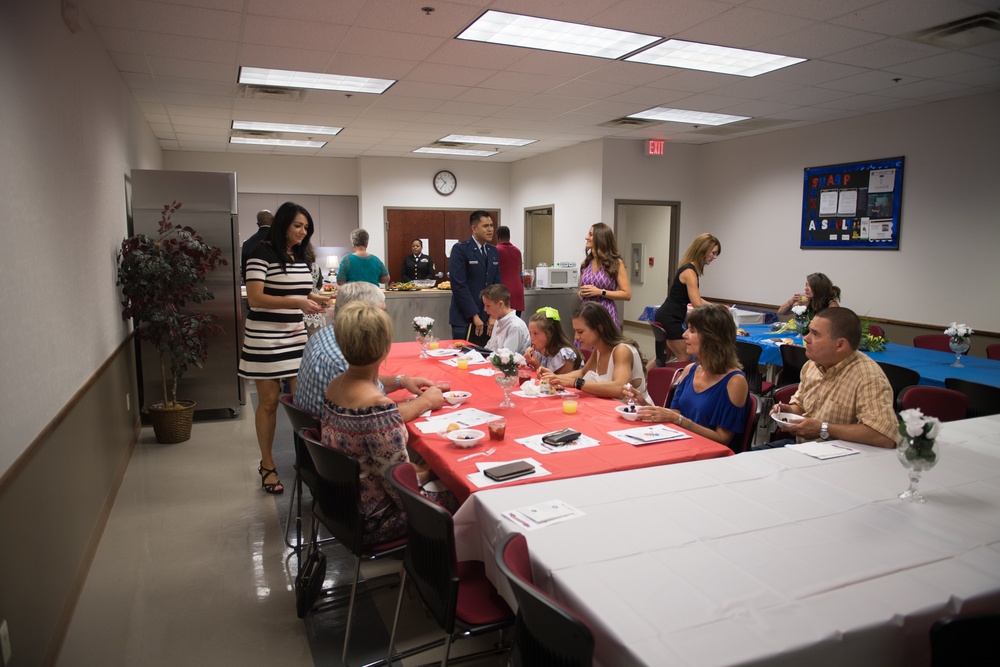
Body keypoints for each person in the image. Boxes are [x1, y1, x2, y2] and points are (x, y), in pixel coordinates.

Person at [321, 302, 445, 545]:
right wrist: (436, 474)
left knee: (427, 465)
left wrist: (426, 470)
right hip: (375, 518)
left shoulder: (334, 385)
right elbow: (403, 491)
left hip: (341, 502)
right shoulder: (378, 408)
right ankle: (433, 573)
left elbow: (378, 462)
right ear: (384, 348)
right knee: (461, 491)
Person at [239, 202, 331, 494]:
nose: (303, 232)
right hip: (265, 338)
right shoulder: (259, 253)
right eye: (298, 226)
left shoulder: (300, 255)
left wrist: (321, 298)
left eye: (306, 227)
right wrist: (299, 303)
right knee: (268, 403)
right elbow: (255, 298)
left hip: (294, 337)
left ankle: (307, 462)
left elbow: (301, 291)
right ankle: (267, 465)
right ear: (283, 225)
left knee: (302, 404)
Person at [294, 281, 441, 419]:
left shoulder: (323, 335)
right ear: (361, 315)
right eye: (381, 312)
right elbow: (378, 417)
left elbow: (359, 382)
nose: (384, 319)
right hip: (336, 440)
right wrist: (426, 402)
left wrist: (400, 381)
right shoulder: (340, 359)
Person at [763, 307, 896, 449]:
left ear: (840, 345)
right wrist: (790, 412)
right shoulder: (813, 365)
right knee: (744, 462)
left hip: (839, 458)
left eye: (815, 334)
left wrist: (824, 429)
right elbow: (801, 406)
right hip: (803, 447)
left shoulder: (868, 377)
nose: (806, 338)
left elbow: (884, 436)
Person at [627, 305, 750, 452]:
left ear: (712, 337)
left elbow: (723, 439)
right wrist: (644, 404)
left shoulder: (735, 381)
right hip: (682, 445)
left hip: (710, 457)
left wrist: (679, 421)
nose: (684, 335)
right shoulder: (690, 370)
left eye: (692, 331)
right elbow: (674, 415)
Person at [538, 302, 649, 402]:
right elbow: (582, 373)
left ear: (599, 329)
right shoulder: (598, 349)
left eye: (580, 332)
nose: (576, 337)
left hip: (636, 413)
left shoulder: (622, 350)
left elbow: (619, 389)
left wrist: (575, 383)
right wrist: (555, 378)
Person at [653, 233, 720, 365]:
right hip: (671, 318)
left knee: (662, 359)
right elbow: (696, 303)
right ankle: (672, 385)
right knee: (684, 356)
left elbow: (697, 298)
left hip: (667, 315)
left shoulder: (689, 269)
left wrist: (716, 307)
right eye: (713, 253)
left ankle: (643, 380)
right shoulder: (690, 272)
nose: (715, 257)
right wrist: (715, 312)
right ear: (703, 249)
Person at [449, 210, 501, 343]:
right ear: (474, 228)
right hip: (465, 318)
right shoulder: (460, 250)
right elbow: (459, 285)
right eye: (485, 226)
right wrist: (474, 315)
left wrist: (493, 315)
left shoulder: (493, 251)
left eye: (491, 225)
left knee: (487, 358)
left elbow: (496, 286)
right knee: (463, 359)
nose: (490, 230)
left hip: (488, 319)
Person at [578, 223, 630, 330]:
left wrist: (600, 292)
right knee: (585, 345)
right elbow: (581, 292)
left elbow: (627, 294)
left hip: (606, 313)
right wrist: (581, 293)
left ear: (600, 238)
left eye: (590, 234)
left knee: (605, 345)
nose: (586, 237)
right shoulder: (585, 264)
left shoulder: (616, 263)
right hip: (586, 313)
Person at [523, 307, 580, 374]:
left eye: (535, 334)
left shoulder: (564, 356)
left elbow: (558, 383)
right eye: (530, 333)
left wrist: (537, 366)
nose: (531, 338)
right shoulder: (540, 352)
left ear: (550, 334)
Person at [481, 284, 529, 353]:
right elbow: (489, 348)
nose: (485, 309)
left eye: (488, 306)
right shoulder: (498, 320)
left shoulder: (515, 326)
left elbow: (506, 358)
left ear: (501, 304)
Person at [776, 272, 841, 317]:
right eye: (806, 285)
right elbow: (781, 312)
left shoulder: (832, 305)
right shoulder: (808, 300)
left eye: (810, 286)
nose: (806, 289)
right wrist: (791, 301)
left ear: (819, 288)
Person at [494, 226, 525, 316]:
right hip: (517, 292)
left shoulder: (496, 250)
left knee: (502, 327)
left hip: (503, 292)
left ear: (498, 237)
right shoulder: (517, 251)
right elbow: (519, 272)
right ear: (509, 237)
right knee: (515, 324)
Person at [240, 209, 272, 280]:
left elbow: (245, 272)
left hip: (253, 284)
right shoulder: (280, 241)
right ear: (273, 222)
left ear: (258, 224)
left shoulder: (247, 243)